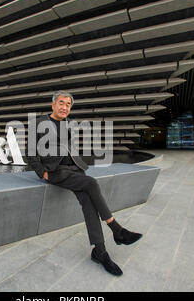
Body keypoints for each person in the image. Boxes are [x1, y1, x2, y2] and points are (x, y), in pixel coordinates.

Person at [26, 90, 143, 276]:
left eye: (68, 105)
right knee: (91, 183)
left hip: (76, 170)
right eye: (62, 103)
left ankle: (100, 252)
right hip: (56, 172)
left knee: (89, 203)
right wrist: (43, 173)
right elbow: (30, 154)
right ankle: (116, 229)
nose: (65, 107)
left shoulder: (70, 123)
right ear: (53, 104)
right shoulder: (39, 123)